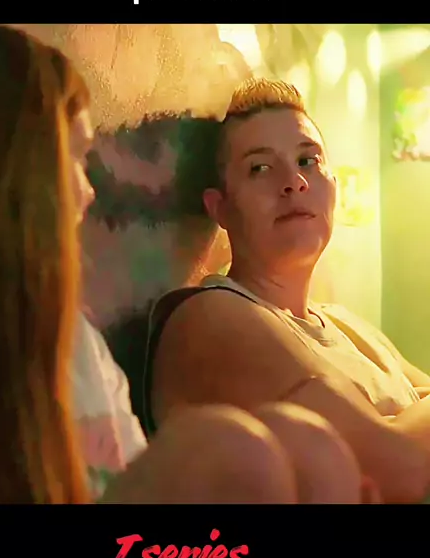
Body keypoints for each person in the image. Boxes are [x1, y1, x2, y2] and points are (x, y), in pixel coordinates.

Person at [0, 25, 365, 505]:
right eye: (74, 159)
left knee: (296, 444)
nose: (89, 192)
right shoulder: (212, 315)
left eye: (309, 161)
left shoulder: (75, 342)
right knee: (244, 447)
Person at [143, 77, 430, 503]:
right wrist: (399, 429)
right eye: (260, 168)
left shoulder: (345, 324)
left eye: (308, 160)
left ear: (333, 187)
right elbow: (400, 471)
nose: (294, 181)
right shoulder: (210, 318)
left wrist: (398, 430)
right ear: (221, 208)